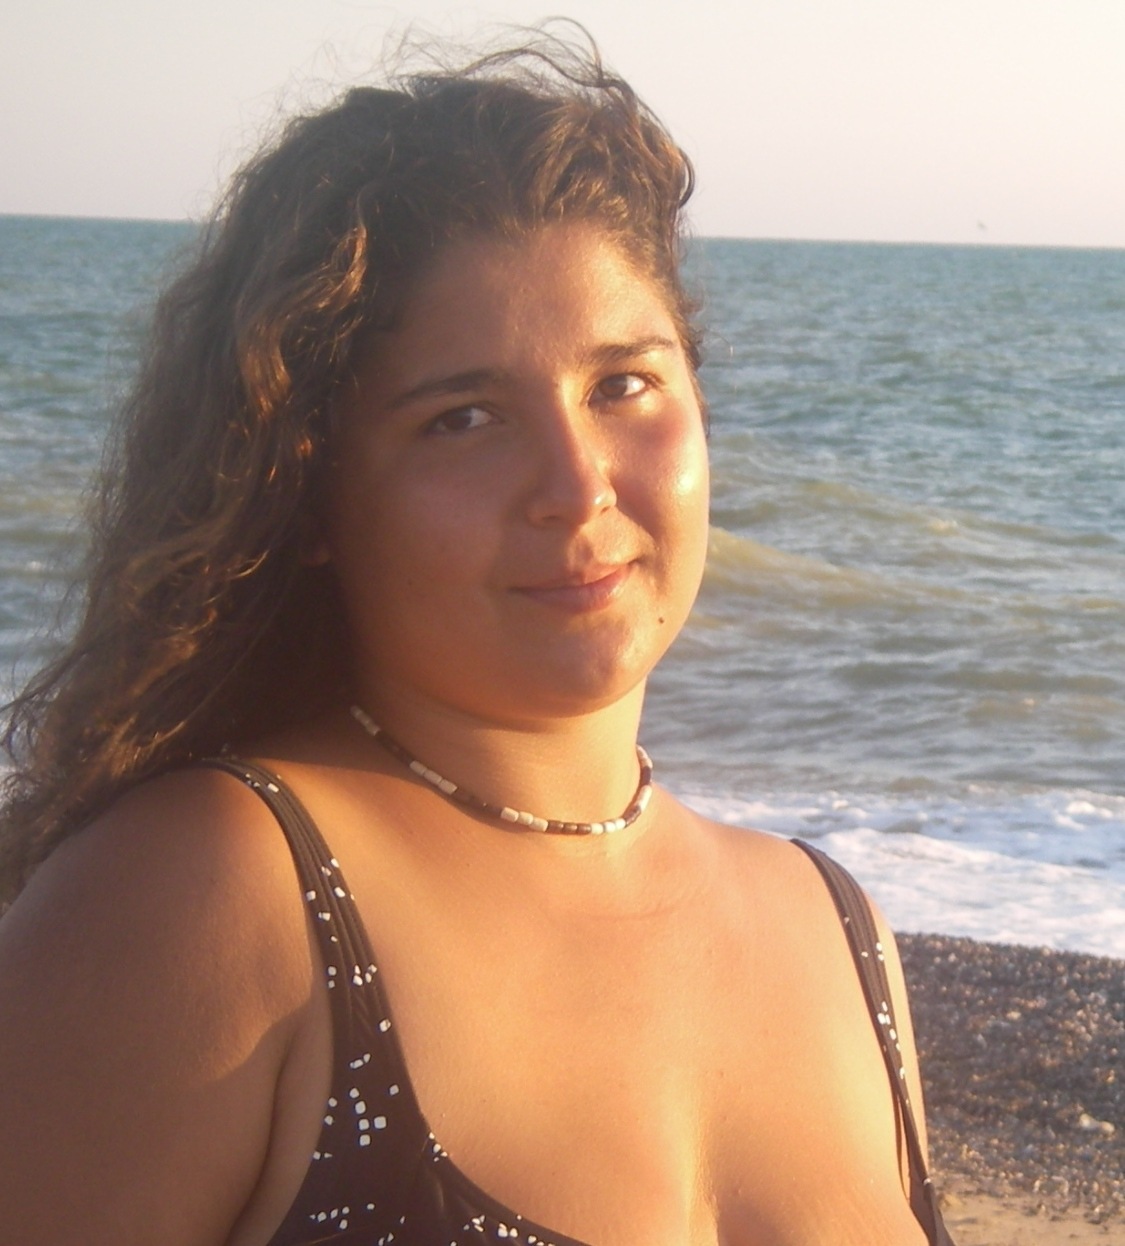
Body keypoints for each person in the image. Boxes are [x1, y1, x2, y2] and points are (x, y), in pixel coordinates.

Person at [0, 27, 953, 1246]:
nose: (576, 483)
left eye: (622, 384)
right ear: (310, 494)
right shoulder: (214, 892)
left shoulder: (832, 925)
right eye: (463, 417)